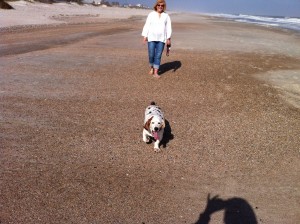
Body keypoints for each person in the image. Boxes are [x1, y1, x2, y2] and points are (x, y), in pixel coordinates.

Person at [142, 0, 172, 78]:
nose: (160, 7)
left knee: (158, 56)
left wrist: (168, 38)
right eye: (159, 5)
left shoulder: (166, 16)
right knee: (151, 54)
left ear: (164, 6)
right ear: (156, 6)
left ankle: (156, 72)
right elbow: (147, 25)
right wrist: (145, 36)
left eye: (162, 5)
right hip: (151, 38)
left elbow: (168, 28)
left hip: (162, 39)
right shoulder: (151, 14)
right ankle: (151, 67)